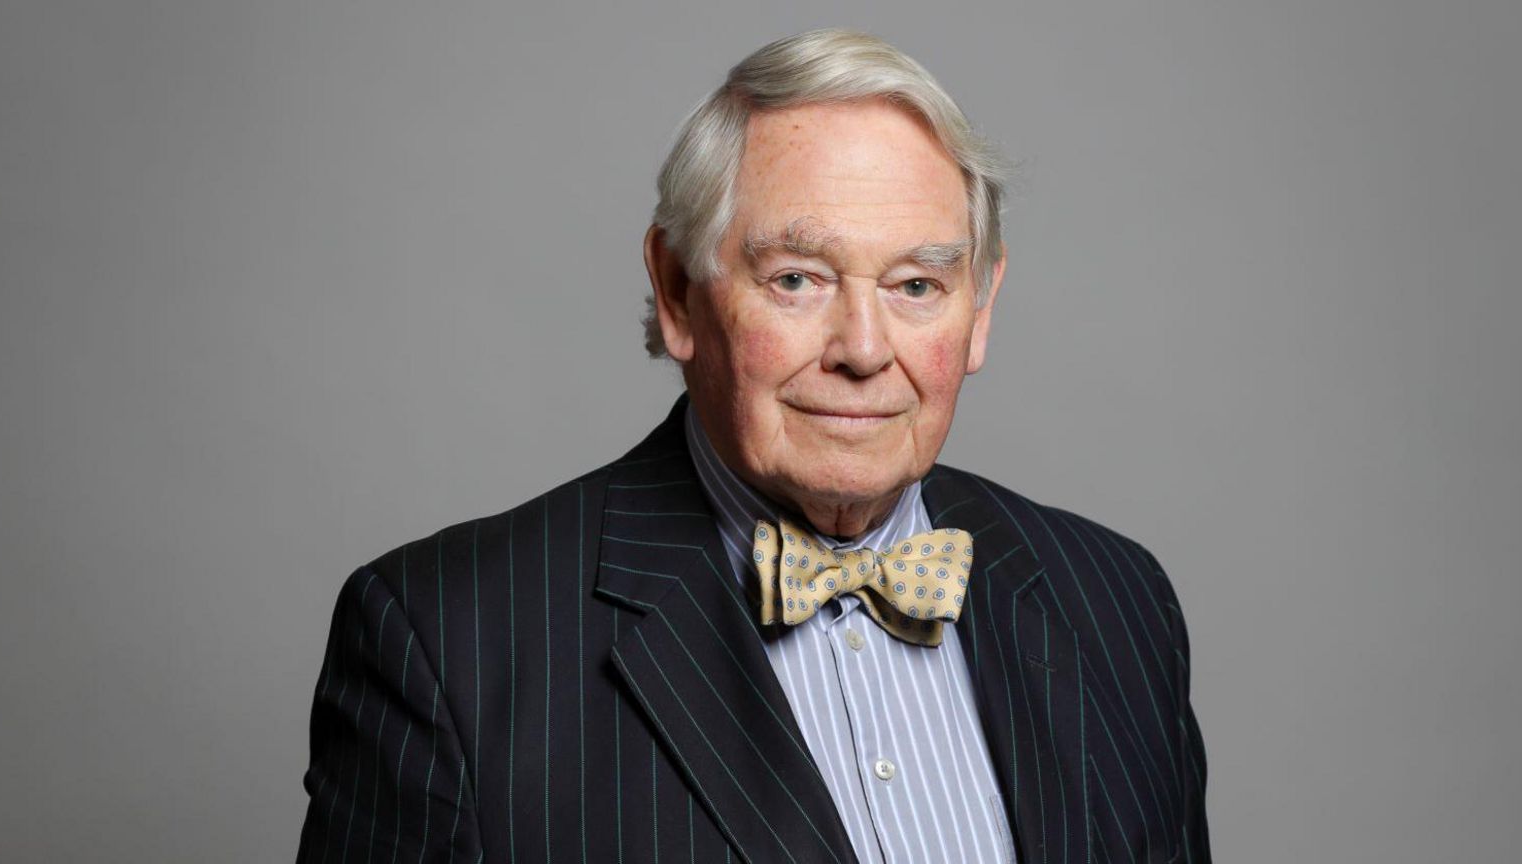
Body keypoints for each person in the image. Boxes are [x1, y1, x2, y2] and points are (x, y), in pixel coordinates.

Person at [296, 28, 1209, 864]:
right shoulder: (446, 640)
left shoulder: (1118, 603)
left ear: (981, 311)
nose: (863, 349)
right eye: (798, 278)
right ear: (678, 291)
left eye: (918, 285)